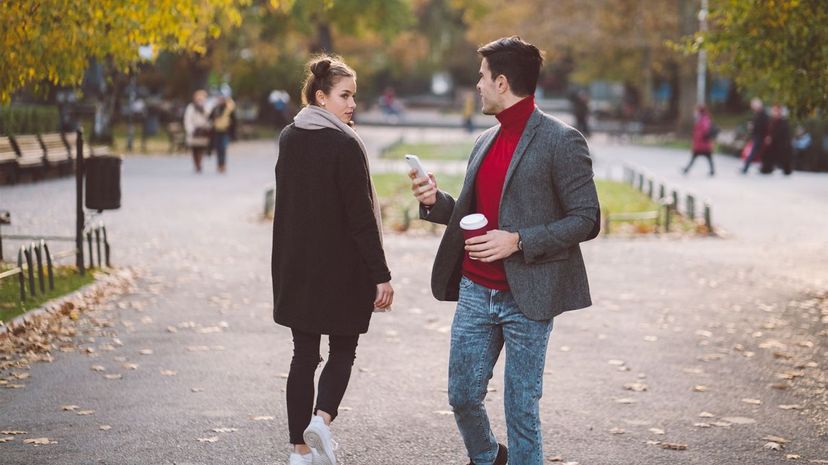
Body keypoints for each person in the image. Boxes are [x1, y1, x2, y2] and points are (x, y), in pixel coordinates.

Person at [409, 36, 600, 465]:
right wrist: (432, 201)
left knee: (521, 410)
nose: (477, 86)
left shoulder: (561, 141)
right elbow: (468, 214)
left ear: (501, 81)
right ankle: (489, 457)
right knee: (461, 396)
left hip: (528, 297)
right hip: (476, 290)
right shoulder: (485, 141)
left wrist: (517, 239)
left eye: (481, 78)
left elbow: (587, 219)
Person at [272, 56, 394, 465]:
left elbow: (288, 208)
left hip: (298, 267)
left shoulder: (289, 137)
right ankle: (321, 421)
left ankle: (299, 452)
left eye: (353, 96)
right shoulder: (345, 144)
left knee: (303, 356)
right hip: (342, 269)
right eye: (344, 96)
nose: (351, 104)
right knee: (344, 349)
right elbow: (360, 216)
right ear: (321, 97)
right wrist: (381, 275)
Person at [183, 90, 212, 173]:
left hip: (202, 131)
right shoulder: (191, 107)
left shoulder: (206, 107)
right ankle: (196, 164)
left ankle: (199, 164)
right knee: (194, 149)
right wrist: (190, 129)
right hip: (194, 130)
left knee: (201, 148)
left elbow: (209, 118)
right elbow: (187, 119)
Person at [683, 104, 716, 176]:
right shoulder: (701, 119)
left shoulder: (704, 119)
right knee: (705, 157)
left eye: (696, 110)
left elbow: (704, 131)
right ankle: (686, 169)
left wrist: (698, 136)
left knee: (705, 157)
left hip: (703, 144)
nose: (695, 112)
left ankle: (687, 169)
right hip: (701, 144)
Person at [761, 104, 793, 175]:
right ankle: (766, 169)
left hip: (781, 143)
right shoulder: (772, 121)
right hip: (773, 143)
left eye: (776, 111)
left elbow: (782, 132)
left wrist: (771, 137)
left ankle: (787, 170)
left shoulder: (783, 121)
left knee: (783, 157)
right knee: (768, 155)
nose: (774, 112)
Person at [741, 97, 769, 174]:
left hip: (760, 136)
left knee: (754, 153)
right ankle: (764, 168)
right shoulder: (759, 113)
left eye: (753, 106)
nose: (752, 108)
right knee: (760, 153)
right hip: (758, 136)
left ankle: (746, 168)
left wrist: (753, 126)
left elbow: (764, 126)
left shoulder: (762, 114)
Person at [209, 95, 236, 173]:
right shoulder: (215, 108)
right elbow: (210, 117)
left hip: (225, 131)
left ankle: (223, 164)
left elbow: (234, 121)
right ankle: (219, 164)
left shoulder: (229, 109)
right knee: (218, 148)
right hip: (216, 131)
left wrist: (232, 132)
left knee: (223, 148)